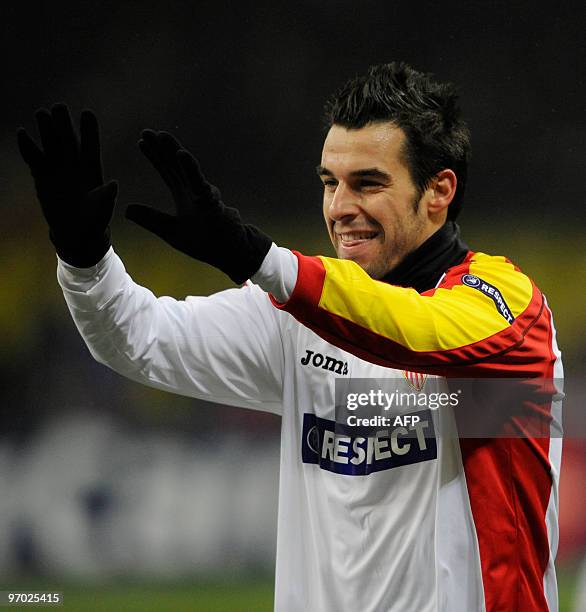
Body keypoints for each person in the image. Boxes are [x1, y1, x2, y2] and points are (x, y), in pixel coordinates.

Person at [18, 63, 563, 612]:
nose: (339, 208)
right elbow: (136, 338)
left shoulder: (510, 309)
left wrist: (259, 257)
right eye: (330, 182)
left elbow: (418, 332)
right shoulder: (296, 315)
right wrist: (84, 259)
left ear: (439, 191)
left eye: (367, 183)